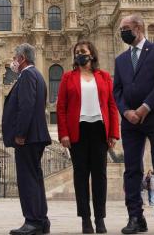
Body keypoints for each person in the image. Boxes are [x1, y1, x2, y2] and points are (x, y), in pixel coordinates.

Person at [113, 14, 154, 235]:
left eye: (125, 28)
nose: (122, 32)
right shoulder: (120, 60)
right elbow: (117, 90)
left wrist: (144, 107)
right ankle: (135, 217)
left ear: (139, 28)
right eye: (121, 29)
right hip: (130, 121)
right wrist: (126, 111)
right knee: (131, 170)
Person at [56, 40, 120, 234]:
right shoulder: (68, 77)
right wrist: (63, 133)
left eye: (83, 51)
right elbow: (61, 107)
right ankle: (85, 219)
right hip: (78, 130)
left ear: (92, 54)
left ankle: (100, 218)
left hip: (99, 130)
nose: (79, 54)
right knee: (80, 176)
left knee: (100, 176)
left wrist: (114, 133)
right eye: (77, 52)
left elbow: (112, 105)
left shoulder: (104, 77)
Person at [2, 43, 52, 235]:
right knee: (35, 178)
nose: (13, 62)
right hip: (35, 135)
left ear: (22, 58)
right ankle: (41, 220)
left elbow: (27, 105)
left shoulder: (28, 75)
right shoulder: (37, 75)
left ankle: (32, 221)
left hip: (28, 137)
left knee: (27, 179)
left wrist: (20, 133)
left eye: (15, 58)